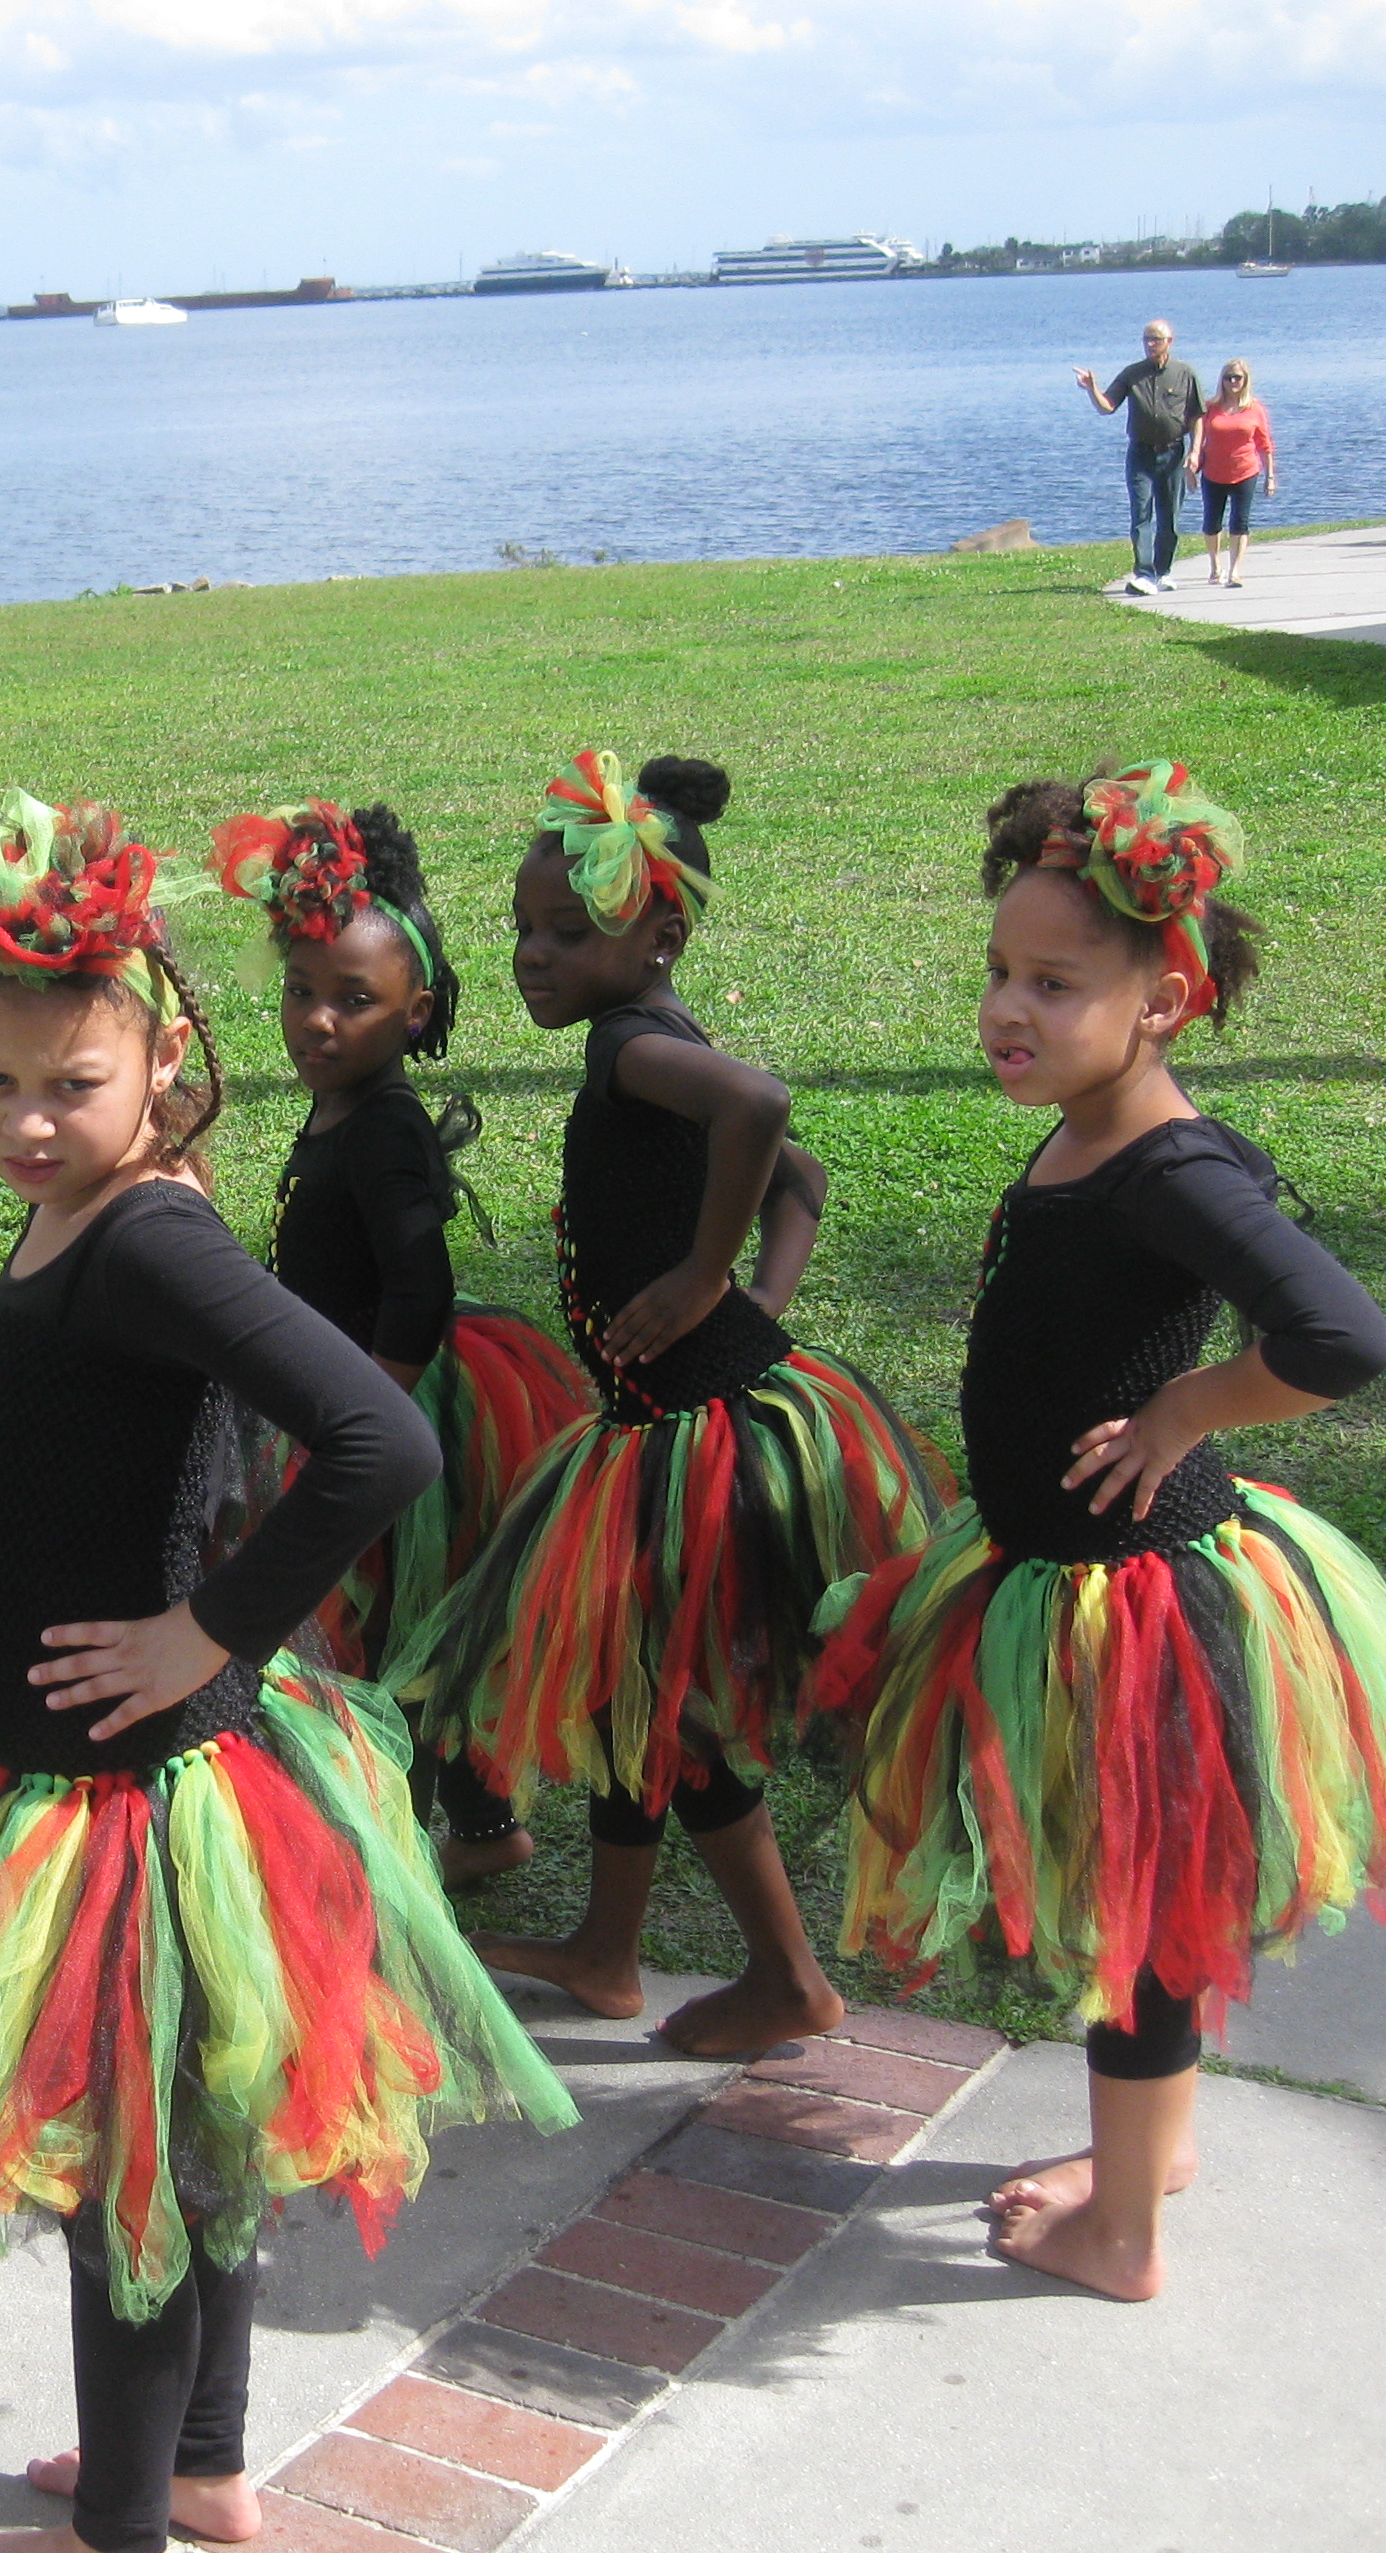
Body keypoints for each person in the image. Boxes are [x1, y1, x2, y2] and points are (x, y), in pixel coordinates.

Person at [0, 794, 573, 2553]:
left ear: (164, 1056)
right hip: (87, 1762)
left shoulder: (150, 1242)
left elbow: (379, 1438)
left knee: (133, 2177)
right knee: (194, 2145)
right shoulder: (88, 1214)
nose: (23, 1121)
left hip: (127, 1785)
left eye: (66, 1082)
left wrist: (208, 1629)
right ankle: (198, 2464)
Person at [813, 766, 1386, 2302]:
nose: (1008, 1008)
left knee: (1144, 1916)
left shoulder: (1169, 1163)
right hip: (1050, 1577)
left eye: (1054, 983)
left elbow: (1339, 1334)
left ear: (1164, 997)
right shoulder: (1085, 1130)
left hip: (1139, 1611)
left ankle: (1122, 2234)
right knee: (1145, 1901)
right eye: (999, 971)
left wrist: (1188, 1411)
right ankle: (1154, 2147)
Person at [388, 754, 943, 2060]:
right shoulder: (647, 1035)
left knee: (686, 1717)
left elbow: (766, 1114)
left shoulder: (635, 1046)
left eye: (568, 935)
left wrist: (707, 1282)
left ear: (662, 935)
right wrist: (752, 1292)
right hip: (678, 1416)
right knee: (639, 1689)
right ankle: (605, 1951)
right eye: (524, 927)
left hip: (695, 1441)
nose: (534, 955)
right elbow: (797, 1182)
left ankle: (789, 1979)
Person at [211, 796, 583, 1877]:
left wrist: (358, 1422)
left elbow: (419, 1288)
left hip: (390, 1404)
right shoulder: (341, 1104)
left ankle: (387, 1852)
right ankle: (484, 1830)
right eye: (301, 992)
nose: (318, 1021)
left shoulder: (382, 1129)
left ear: (416, 1013)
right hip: (342, 1390)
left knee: (389, 1636)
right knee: (419, 1631)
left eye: (354, 1002)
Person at [1075, 320, 1204, 595]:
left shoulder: (1185, 374)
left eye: (1155, 339)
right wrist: (1091, 389)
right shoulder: (1132, 374)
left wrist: (1195, 451)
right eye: (1146, 339)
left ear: (1170, 341)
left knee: (1169, 516)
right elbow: (1107, 407)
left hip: (1173, 453)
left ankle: (1163, 571)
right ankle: (1143, 573)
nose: (1150, 345)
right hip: (1140, 453)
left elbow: (1196, 417)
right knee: (1141, 513)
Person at [1188, 359, 1276, 588]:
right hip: (1214, 472)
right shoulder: (1210, 408)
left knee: (1240, 522)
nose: (1233, 382)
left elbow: (1264, 444)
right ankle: (1215, 566)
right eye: (1229, 377)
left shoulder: (1255, 408)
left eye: (1238, 377)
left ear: (1245, 380)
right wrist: (1192, 465)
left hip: (1246, 471)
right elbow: (1198, 438)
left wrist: (1270, 476)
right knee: (1211, 523)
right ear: (1222, 380)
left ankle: (1235, 571)